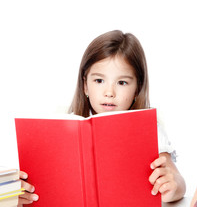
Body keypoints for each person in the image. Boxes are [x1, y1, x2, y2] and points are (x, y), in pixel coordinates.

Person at [18, 30, 186, 205]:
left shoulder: (150, 129)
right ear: (85, 85)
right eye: (99, 81)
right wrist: (23, 191)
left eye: (122, 82)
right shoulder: (63, 126)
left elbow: (178, 181)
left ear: (137, 88)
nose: (109, 93)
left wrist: (173, 187)